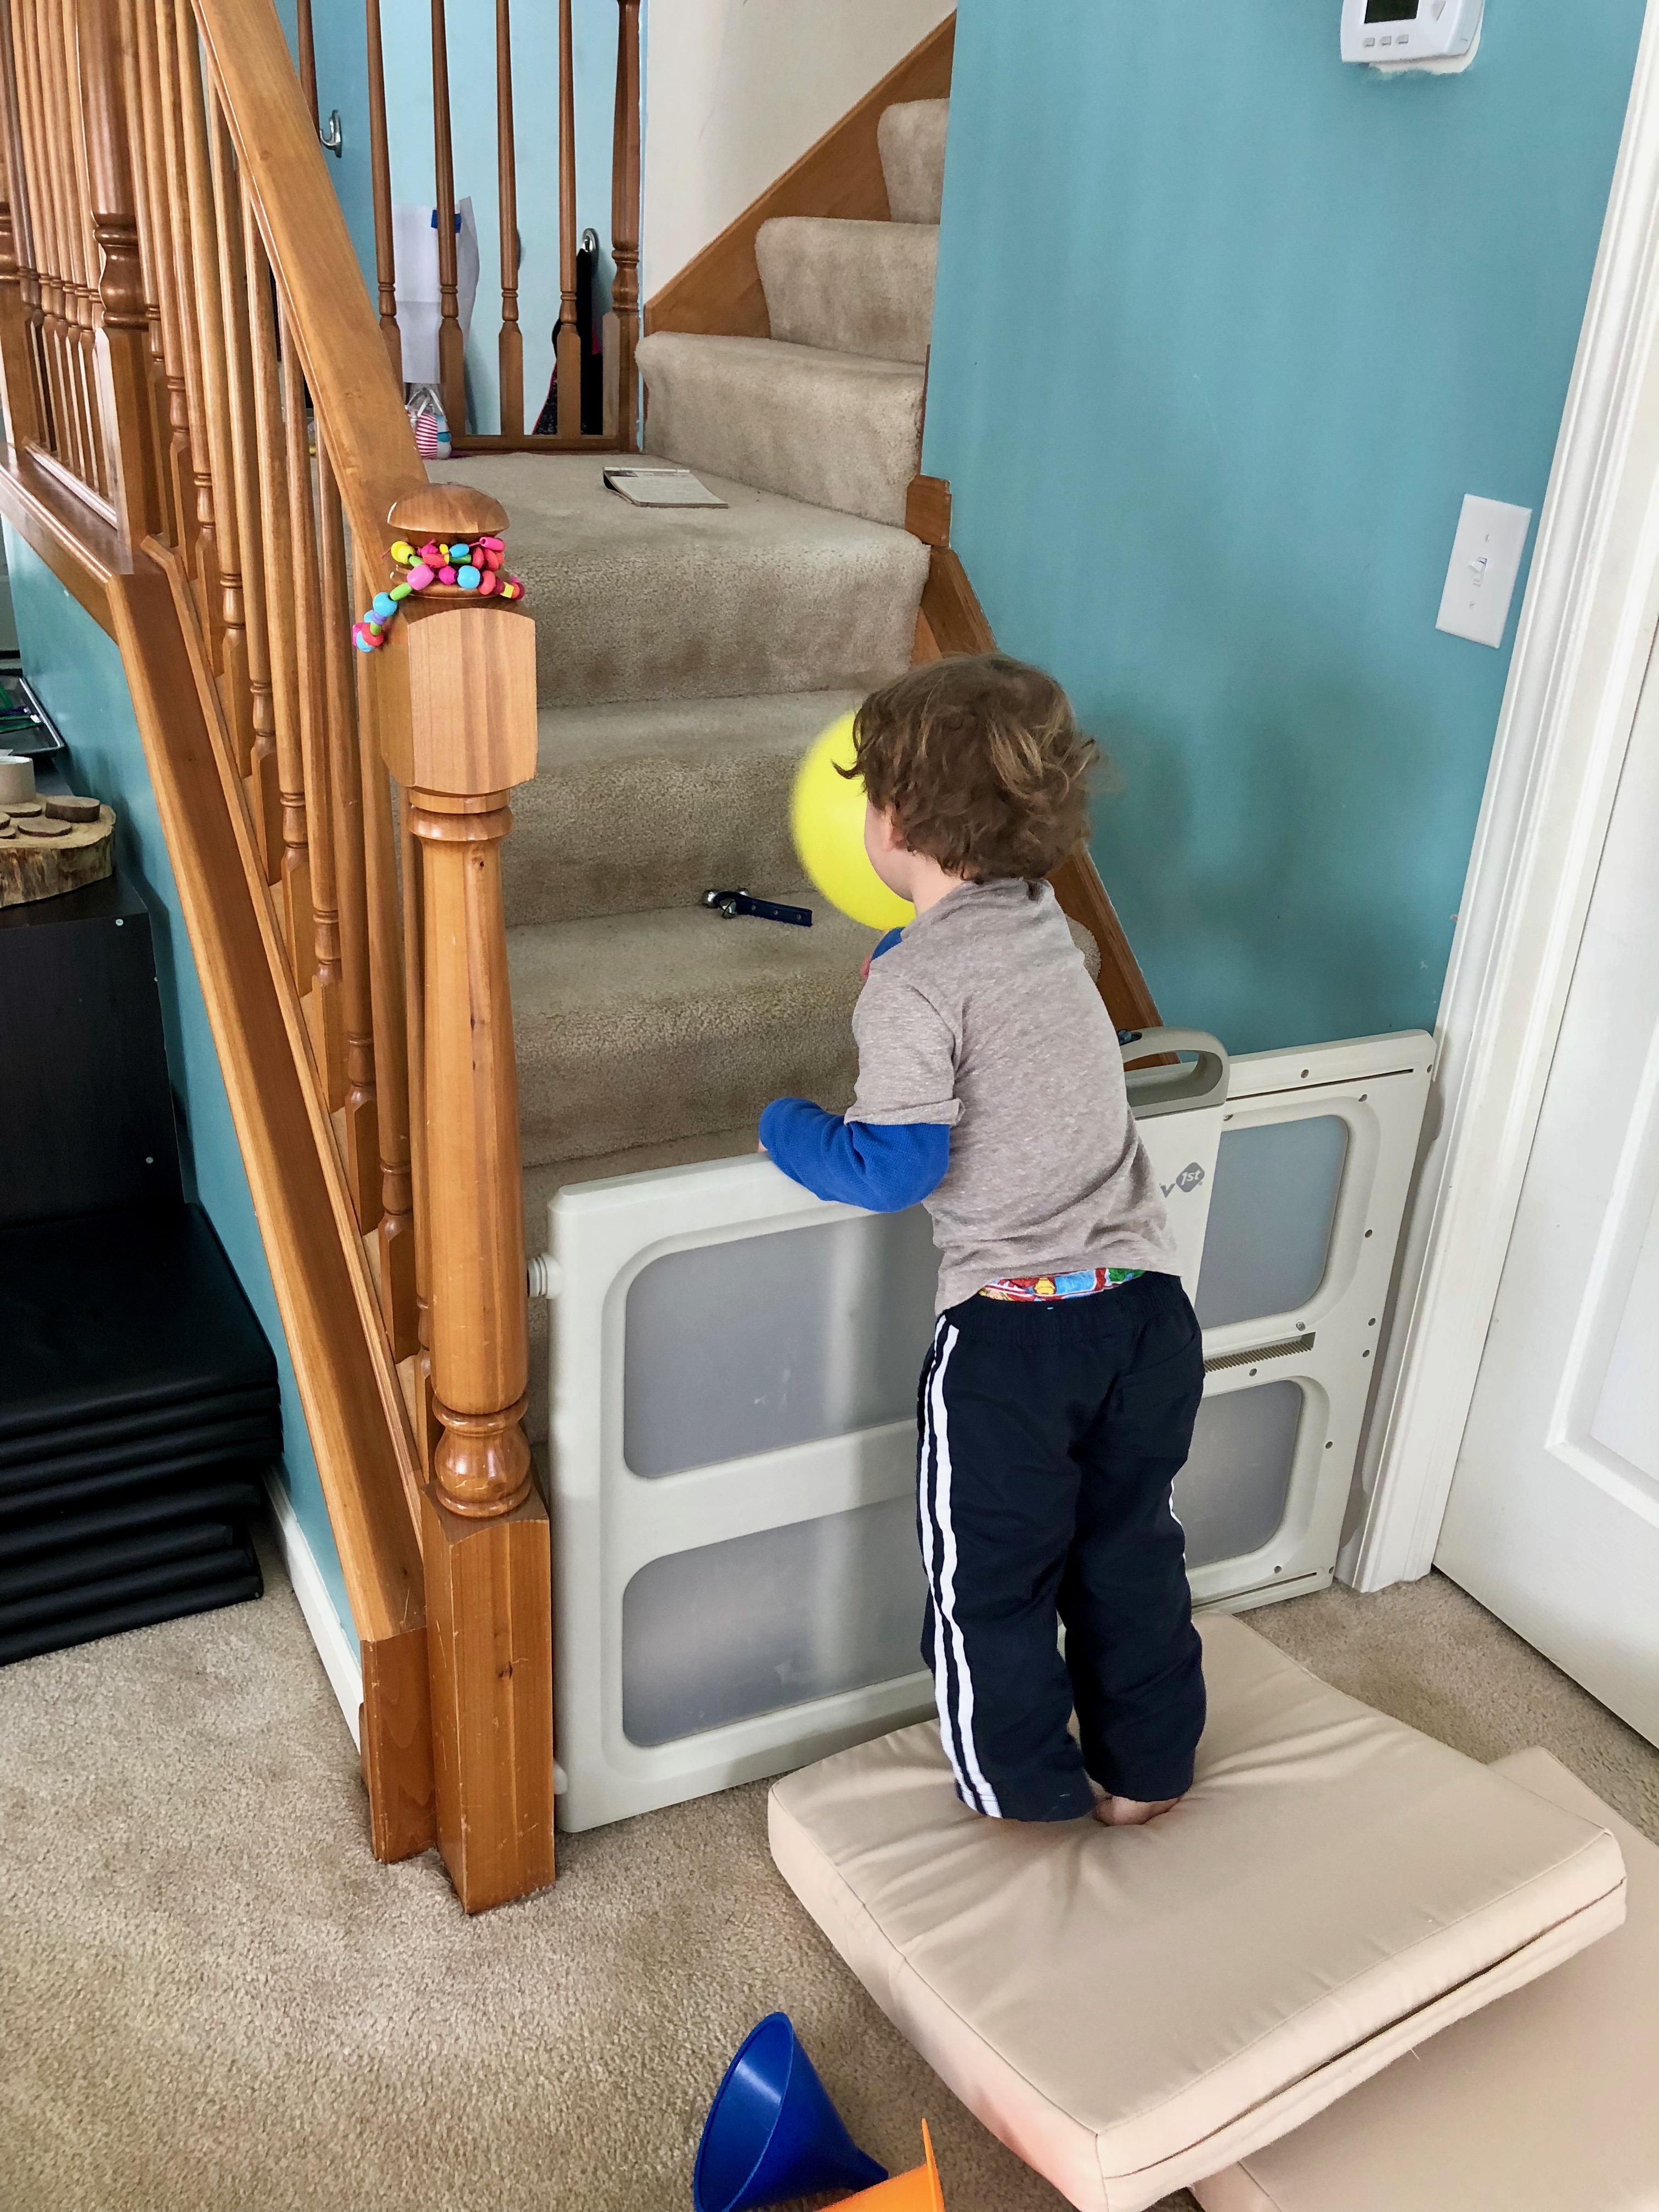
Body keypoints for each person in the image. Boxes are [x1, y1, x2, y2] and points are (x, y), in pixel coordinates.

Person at [759, 654, 1205, 1827]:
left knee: (987, 1590)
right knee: (1128, 1557)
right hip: (1148, 1315)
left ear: (892, 820)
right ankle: (1145, 1775)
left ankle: (1024, 1794)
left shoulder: (910, 987)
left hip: (1017, 1343)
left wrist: (785, 1126)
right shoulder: (1054, 926)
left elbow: (895, 1167)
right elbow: (1012, 1012)